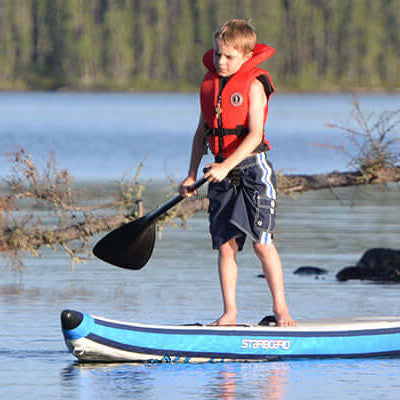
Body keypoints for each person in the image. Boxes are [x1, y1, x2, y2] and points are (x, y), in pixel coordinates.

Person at [179, 19, 295, 327]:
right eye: (218, 54)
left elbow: (255, 135)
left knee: (261, 243)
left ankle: (281, 310)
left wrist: (226, 166)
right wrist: (191, 175)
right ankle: (230, 312)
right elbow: (201, 134)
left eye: (228, 57)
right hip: (220, 172)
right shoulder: (209, 86)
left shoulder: (254, 84)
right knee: (226, 245)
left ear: (245, 56)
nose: (221, 61)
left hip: (251, 169)